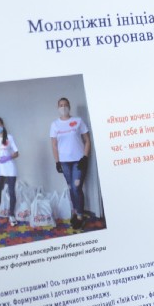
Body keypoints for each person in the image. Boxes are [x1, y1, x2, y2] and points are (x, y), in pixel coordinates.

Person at [50, 97, 91, 229]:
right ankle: (75, 212)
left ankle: (80, 215)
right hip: (64, 162)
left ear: (69, 106)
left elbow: (87, 140)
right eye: (61, 105)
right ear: (58, 108)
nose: (63, 107)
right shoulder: (54, 124)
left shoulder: (78, 121)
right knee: (70, 188)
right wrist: (57, 162)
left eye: (66, 105)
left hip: (79, 160)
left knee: (76, 188)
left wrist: (85, 157)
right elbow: (54, 145)